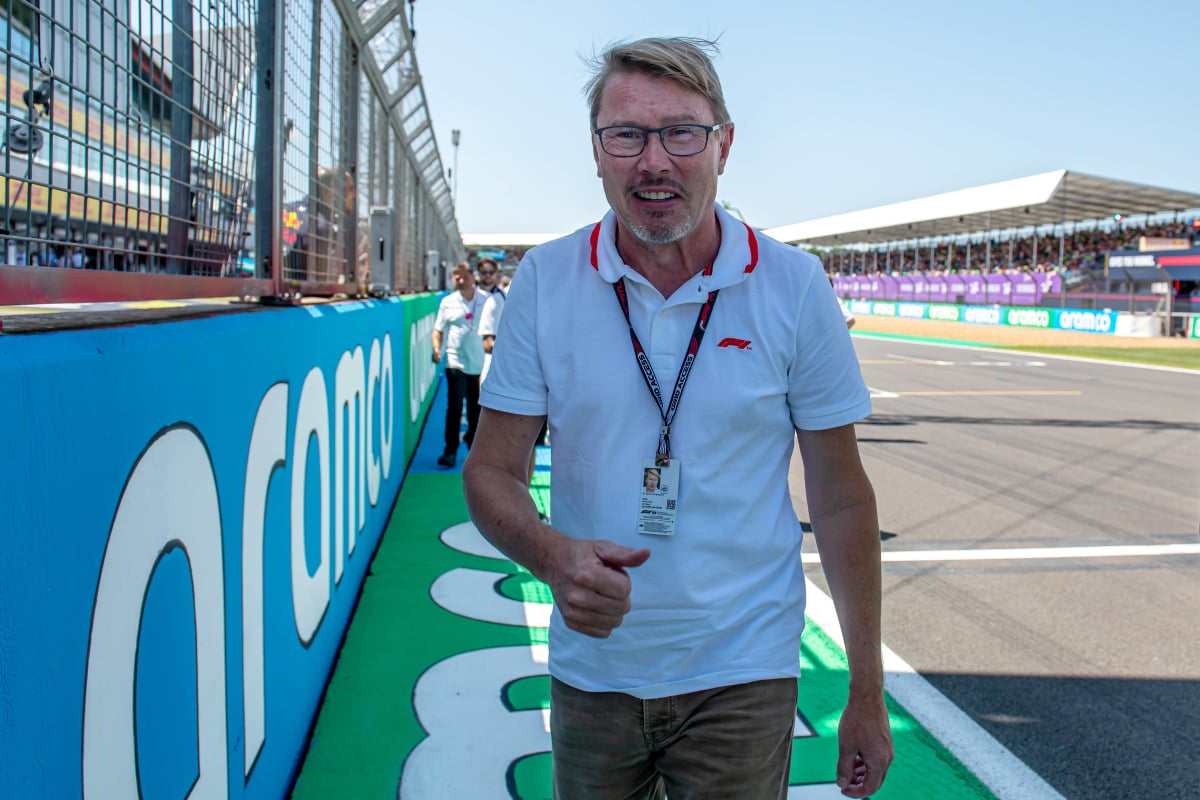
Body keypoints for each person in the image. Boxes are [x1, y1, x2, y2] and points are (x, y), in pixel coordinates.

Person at [462, 36, 891, 799]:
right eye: (626, 135)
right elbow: (492, 469)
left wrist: (865, 687)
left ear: (723, 146)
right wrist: (552, 557)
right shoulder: (546, 280)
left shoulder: (793, 286)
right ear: (596, 152)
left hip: (742, 667)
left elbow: (841, 495)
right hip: (594, 668)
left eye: (681, 133)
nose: (653, 161)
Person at [431, 262, 486, 467]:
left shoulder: (487, 300)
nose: (461, 281)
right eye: (457, 277)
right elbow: (438, 330)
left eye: (465, 276)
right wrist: (437, 348)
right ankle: (450, 451)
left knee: (476, 409)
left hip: (480, 363)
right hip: (455, 361)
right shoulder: (448, 302)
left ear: (473, 276)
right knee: (454, 407)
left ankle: (474, 448)